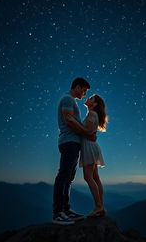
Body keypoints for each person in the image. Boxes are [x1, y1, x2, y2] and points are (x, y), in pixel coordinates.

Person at [52, 77, 96, 225]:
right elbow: (69, 120)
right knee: (64, 176)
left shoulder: (71, 101)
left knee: (68, 178)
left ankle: (66, 210)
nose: (84, 94)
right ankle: (58, 213)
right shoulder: (67, 99)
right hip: (69, 142)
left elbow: (72, 120)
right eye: (83, 90)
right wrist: (87, 133)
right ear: (77, 87)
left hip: (73, 143)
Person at [66, 94, 108, 217]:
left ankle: (98, 206)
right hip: (92, 146)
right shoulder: (92, 114)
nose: (88, 99)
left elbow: (88, 132)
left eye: (91, 98)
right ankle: (101, 206)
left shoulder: (91, 114)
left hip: (89, 147)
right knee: (95, 177)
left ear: (94, 104)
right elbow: (90, 132)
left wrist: (74, 122)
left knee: (88, 177)